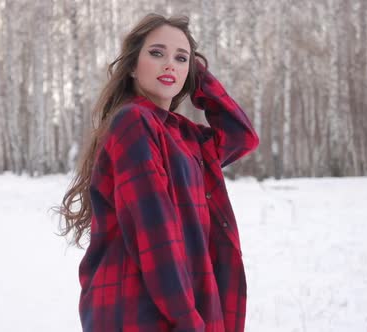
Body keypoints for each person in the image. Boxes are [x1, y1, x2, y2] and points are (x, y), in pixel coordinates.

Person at [57, 13, 259, 332]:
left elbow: (241, 136)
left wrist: (197, 75)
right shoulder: (133, 123)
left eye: (181, 58)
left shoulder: (185, 136)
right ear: (133, 67)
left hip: (181, 305)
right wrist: (187, 319)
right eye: (156, 53)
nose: (170, 65)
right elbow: (154, 231)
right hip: (141, 310)